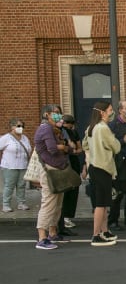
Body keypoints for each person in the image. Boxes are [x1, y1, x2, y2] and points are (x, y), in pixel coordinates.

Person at [83, 101, 121, 247]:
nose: (112, 113)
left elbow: (85, 144)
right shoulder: (103, 128)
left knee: (104, 202)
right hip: (103, 167)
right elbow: (115, 146)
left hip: (94, 165)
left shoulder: (91, 128)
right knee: (101, 203)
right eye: (110, 110)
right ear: (102, 112)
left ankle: (104, 231)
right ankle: (96, 234)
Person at [34, 105, 72, 249]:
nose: (58, 116)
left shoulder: (54, 129)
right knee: (48, 203)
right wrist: (63, 147)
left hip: (57, 169)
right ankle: (42, 237)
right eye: (55, 113)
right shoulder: (46, 128)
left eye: (59, 113)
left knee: (57, 204)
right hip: (49, 170)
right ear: (47, 114)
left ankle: (52, 232)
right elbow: (52, 148)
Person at [108, 100, 126, 230]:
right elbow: (109, 144)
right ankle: (113, 220)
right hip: (120, 162)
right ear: (120, 110)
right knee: (119, 192)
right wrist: (122, 141)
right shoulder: (113, 125)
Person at [58, 114, 83, 235]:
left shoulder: (73, 133)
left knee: (72, 190)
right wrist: (70, 149)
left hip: (72, 163)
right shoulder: (60, 132)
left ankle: (67, 216)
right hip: (66, 164)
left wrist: (71, 150)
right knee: (67, 191)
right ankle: (63, 217)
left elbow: (79, 148)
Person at [0, 118, 31, 213]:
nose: (21, 128)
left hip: (23, 165)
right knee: (9, 185)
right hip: (10, 166)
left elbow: (29, 149)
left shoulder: (25, 138)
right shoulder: (6, 138)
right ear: (12, 127)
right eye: (18, 126)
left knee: (21, 185)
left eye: (22, 126)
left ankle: (21, 203)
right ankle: (6, 204)